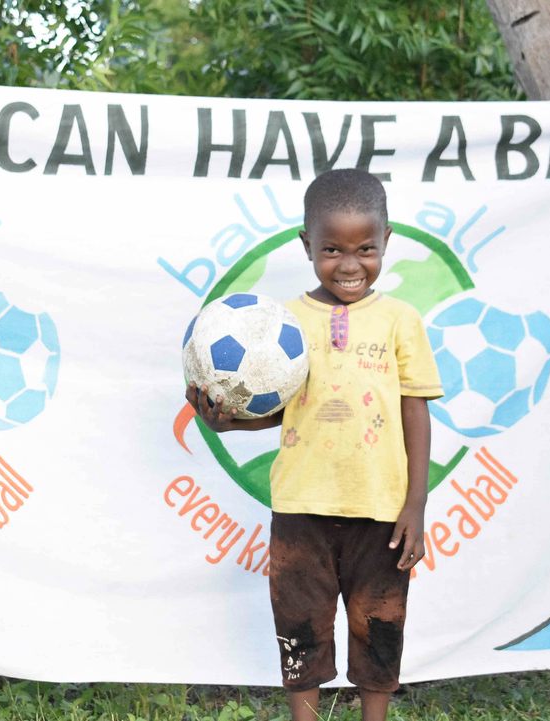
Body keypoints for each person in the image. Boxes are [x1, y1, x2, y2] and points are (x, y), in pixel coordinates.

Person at [186, 168, 443, 721]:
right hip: (301, 507)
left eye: (365, 249)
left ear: (386, 241)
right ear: (307, 245)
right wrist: (228, 425)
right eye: (331, 249)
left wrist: (416, 503)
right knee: (299, 626)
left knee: (380, 625)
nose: (349, 265)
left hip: (381, 510)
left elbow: (415, 411)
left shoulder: (400, 321)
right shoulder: (281, 325)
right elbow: (285, 412)